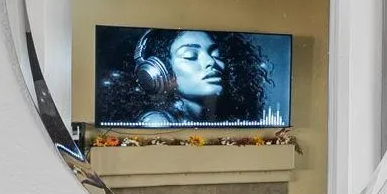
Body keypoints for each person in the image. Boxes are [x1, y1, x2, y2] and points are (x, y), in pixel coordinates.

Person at [97, 28, 279, 126]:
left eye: (217, 55)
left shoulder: (219, 118)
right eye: (191, 56)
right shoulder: (157, 123)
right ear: (161, 72)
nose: (211, 62)